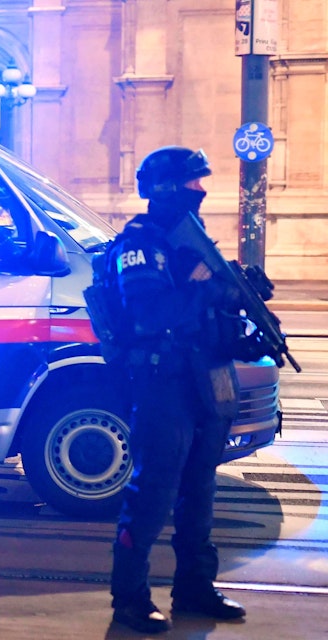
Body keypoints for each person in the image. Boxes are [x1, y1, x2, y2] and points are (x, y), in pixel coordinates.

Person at [103, 147, 250, 634]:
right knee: (153, 493)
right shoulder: (139, 245)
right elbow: (149, 314)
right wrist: (206, 289)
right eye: (192, 183)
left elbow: (204, 317)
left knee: (199, 491)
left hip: (201, 380)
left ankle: (194, 587)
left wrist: (238, 306)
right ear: (165, 188)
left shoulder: (190, 241)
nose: (201, 190)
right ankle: (130, 599)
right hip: (161, 382)